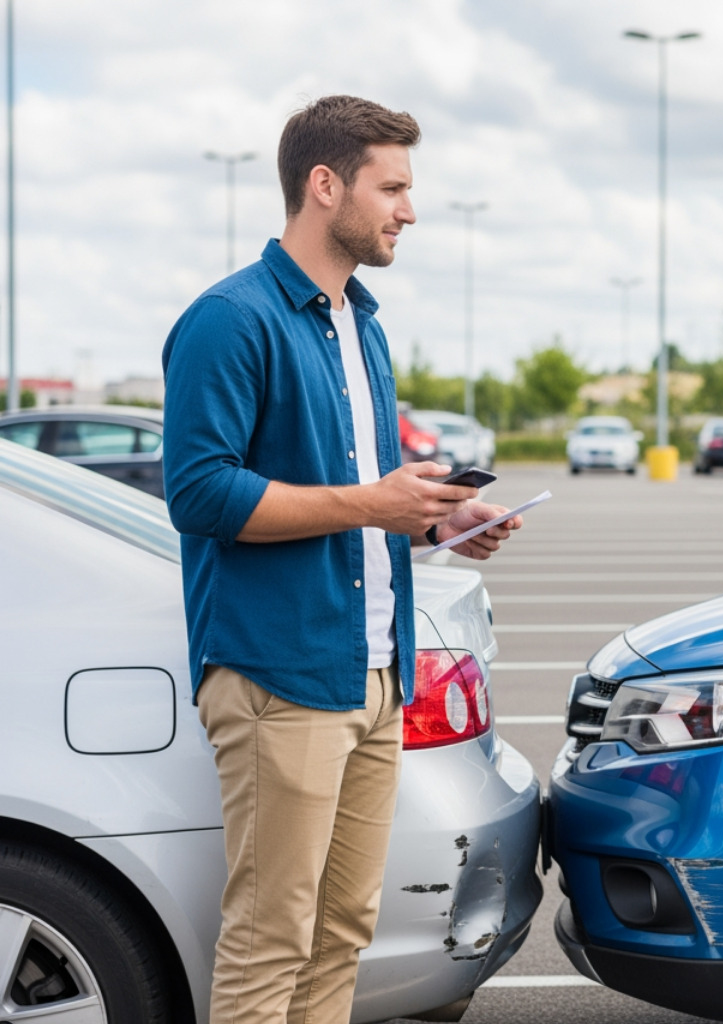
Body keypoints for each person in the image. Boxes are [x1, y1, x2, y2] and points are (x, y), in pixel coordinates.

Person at [161, 95, 518, 1024]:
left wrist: (437, 520)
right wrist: (375, 503)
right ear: (325, 186)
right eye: (391, 186)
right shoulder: (229, 320)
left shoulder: (363, 323)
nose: (409, 209)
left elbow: (360, 496)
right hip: (281, 672)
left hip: (374, 674)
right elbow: (200, 495)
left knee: (344, 930)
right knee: (271, 932)